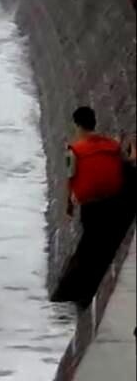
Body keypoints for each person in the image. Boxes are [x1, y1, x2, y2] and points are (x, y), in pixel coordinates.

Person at [54, 107, 136, 308]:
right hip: (115, 203)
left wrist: (68, 206)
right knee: (101, 249)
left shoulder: (73, 151)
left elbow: (70, 179)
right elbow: (130, 161)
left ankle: (72, 296)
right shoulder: (112, 144)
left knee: (87, 252)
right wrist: (132, 145)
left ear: (77, 125)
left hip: (92, 207)